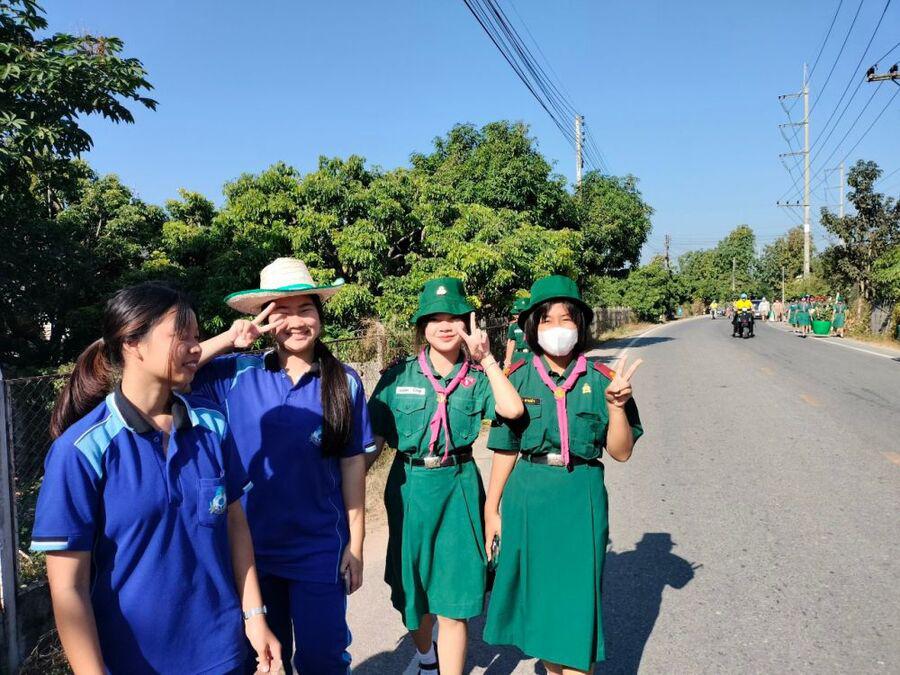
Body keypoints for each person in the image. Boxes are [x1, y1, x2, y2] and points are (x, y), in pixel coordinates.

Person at [30, 283, 281, 675]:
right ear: (133, 342)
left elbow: (236, 526)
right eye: (183, 336)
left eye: (197, 337)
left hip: (224, 656)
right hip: (131, 662)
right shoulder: (81, 451)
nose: (196, 347)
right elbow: (68, 588)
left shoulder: (211, 425)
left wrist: (255, 617)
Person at [193, 258, 374, 674]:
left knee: (323, 659)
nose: (295, 322)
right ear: (265, 319)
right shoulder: (235, 374)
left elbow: (352, 466)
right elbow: (170, 371)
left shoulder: (344, 382)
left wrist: (357, 545)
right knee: (267, 662)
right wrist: (230, 338)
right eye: (281, 312)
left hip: (319, 549)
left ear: (320, 316)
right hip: (250, 554)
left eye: (305, 309)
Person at [482, 275, 644, 675]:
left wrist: (617, 408)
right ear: (532, 327)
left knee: (576, 600)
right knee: (541, 601)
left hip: (580, 498)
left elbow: (621, 452)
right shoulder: (517, 377)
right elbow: (505, 447)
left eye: (566, 319)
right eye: (547, 320)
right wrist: (492, 508)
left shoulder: (604, 379)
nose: (557, 328)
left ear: (580, 325)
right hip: (529, 497)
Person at [367, 277, 524, 675]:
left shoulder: (477, 378)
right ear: (422, 327)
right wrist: (343, 493)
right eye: (435, 319)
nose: (445, 326)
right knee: (412, 594)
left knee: (455, 598)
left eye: (454, 318)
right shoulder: (397, 377)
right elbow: (373, 444)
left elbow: (512, 410)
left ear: (467, 324)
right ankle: (426, 659)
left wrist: (487, 359)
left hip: (459, 486)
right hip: (409, 489)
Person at [504, 296, 531, 365]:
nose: (518, 315)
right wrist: (508, 359)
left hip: (531, 356)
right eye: (519, 311)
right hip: (518, 356)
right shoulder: (514, 326)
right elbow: (511, 342)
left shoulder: (536, 325)